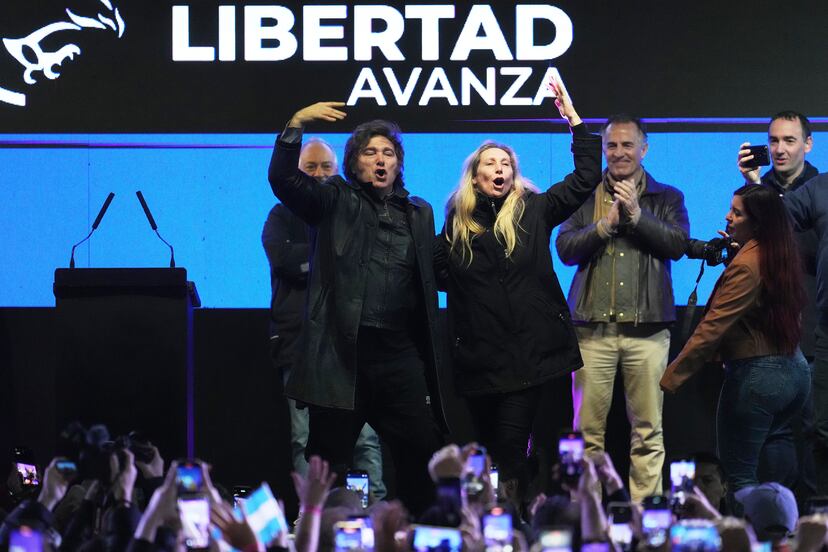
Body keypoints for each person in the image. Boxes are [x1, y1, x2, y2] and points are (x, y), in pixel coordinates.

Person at [267, 102, 446, 515]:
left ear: (398, 164)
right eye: (370, 152)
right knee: (327, 463)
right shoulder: (334, 199)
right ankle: (323, 533)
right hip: (343, 353)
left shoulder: (419, 212)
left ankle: (416, 532)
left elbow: (432, 273)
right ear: (353, 162)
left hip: (398, 353)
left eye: (388, 153)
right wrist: (294, 125)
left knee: (422, 451)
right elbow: (283, 180)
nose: (380, 160)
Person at [436, 75, 601, 504]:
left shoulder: (534, 210)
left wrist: (573, 119)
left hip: (526, 357)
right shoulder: (456, 224)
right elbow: (437, 275)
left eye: (506, 164)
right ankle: (507, 505)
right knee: (490, 449)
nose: (500, 169)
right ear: (475, 177)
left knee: (510, 445)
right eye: (491, 163)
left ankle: (511, 517)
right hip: (479, 359)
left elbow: (586, 176)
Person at [556, 115, 690, 502]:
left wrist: (637, 216)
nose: (619, 153)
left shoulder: (668, 197)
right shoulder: (584, 194)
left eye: (627, 145)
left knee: (648, 431)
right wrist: (605, 225)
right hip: (591, 331)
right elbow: (564, 248)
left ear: (643, 149)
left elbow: (677, 245)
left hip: (648, 332)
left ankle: (647, 519)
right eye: (611, 145)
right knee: (585, 434)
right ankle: (587, 515)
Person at [661, 185, 811, 497]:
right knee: (772, 461)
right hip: (794, 372)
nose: (727, 217)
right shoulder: (778, 252)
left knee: (738, 476)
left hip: (758, 377)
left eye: (737, 213)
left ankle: (744, 528)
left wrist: (671, 377)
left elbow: (713, 326)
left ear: (758, 223)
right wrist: (737, 253)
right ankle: (781, 521)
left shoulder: (747, 264)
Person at [262, 137, 385, 499]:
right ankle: (311, 515)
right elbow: (284, 260)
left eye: (325, 167)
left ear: (339, 170)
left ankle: (372, 511)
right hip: (299, 344)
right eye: (310, 167)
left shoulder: (355, 210)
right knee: (304, 439)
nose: (318, 174)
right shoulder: (281, 215)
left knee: (365, 437)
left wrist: (314, 260)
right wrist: (333, 257)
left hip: (352, 345)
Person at [737, 111, 819, 497]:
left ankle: (817, 515)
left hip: (814, 329)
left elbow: (802, 247)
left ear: (808, 144)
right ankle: (778, 515)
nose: (779, 149)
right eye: (773, 141)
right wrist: (753, 187)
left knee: (817, 427)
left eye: (789, 140)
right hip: (769, 330)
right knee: (774, 431)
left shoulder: (820, 189)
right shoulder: (755, 191)